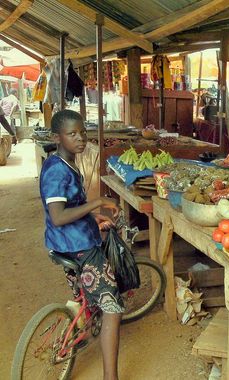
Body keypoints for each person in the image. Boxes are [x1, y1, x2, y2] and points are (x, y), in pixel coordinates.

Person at [39, 109, 123, 380]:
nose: (80, 138)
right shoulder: (55, 172)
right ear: (57, 137)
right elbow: (58, 216)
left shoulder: (67, 163)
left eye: (83, 132)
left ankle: (82, 319)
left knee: (85, 292)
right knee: (112, 308)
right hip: (78, 247)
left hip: (68, 242)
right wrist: (97, 203)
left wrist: (91, 215)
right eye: (72, 134)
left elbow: (71, 206)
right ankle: (110, 376)